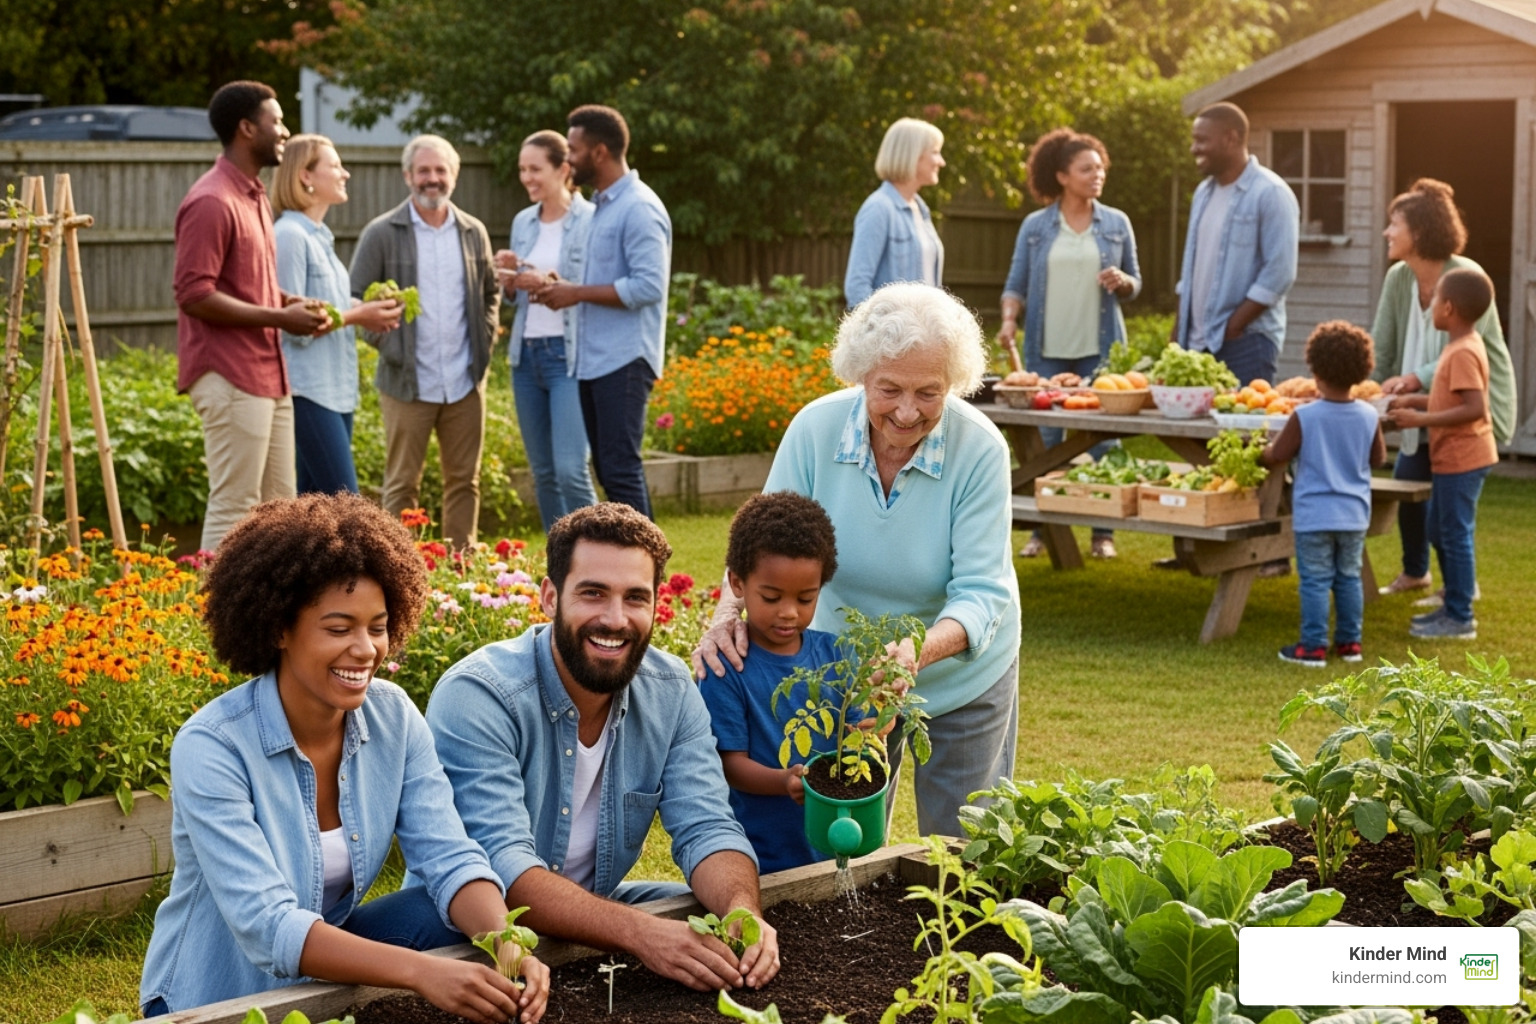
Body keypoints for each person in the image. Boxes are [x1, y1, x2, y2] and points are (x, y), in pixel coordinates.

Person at [139, 493, 550, 1023]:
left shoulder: (394, 716)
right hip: (215, 997)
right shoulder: (213, 745)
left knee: (444, 915)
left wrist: (509, 946)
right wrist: (420, 972)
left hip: (317, 980)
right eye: (339, 629)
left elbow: (450, 857)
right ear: (279, 629)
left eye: (377, 627)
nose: (365, 649)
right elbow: (267, 925)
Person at [694, 283, 1021, 839]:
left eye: (930, 393)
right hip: (843, 674)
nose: (908, 411)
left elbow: (983, 593)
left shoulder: (980, 449)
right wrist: (726, 617)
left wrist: (911, 654)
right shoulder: (815, 431)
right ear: (859, 375)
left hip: (962, 672)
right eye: (889, 388)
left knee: (965, 850)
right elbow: (761, 545)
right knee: (845, 841)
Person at [424, 503, 781, 993]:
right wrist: (641, 934)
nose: (615, 619)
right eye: (593, 594)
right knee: (661, 929)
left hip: (593, 902)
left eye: (635, 598)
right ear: (550, 597)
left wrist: (742, 913)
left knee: (707, 920)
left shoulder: (671, 690)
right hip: (459, 927)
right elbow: (504, 869)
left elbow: (707, 826)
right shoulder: (481, 695)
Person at [174, 80, 331, 552]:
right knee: (234, 505)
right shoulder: (211, 200)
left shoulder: (254, 195)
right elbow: (193, 293)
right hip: (228, 372)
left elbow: (247, 282)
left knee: (278, 511)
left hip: (268, 372)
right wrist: (280, 319)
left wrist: (288, 303)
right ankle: (215, 622)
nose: (284, 131)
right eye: (276, 121)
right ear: (246, 128)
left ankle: (266, 622)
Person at [1370, 178, 1519, 600]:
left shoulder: (1467, 278)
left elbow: (1466, 351)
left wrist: (1415, 379)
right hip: (1426, 407)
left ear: (1417, 231)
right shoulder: (1399, 277)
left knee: (1449, 511)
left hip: (1466, 409)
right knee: (1410, 492)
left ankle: (1459, 590)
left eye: (1393, 224)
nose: (1387, 232)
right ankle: (1416, 573)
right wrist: (1363, 390)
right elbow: (1381, 347)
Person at [351, 134, 500, 549]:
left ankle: (461, 565)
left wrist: (484, 341)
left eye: (440, 171)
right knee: (401, 483)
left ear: (454, 175)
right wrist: (388, 345)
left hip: (465, 380)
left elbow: (491, 293)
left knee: (464, 481)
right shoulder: (382, 232)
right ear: (407, 175)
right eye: (424, 171)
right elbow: (354, 297)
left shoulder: (473, 232)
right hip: (406, 381)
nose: (432, 179)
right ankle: (400, 568)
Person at [999, 128, 1141, 560]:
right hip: (1047, 349)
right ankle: (1043, 531)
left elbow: (1137, 283)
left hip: (1100, 350)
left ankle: (1104, 532)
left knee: (1103, 442)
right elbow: (1015, 283)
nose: (1096, 175)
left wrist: (1123, 282)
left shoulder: (1116, 223)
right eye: (1086, 169)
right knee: (1045, 444)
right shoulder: (1036, 227)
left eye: (1100, 168)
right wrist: (1008, 319)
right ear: (1062, 175)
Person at [530, 106, 671, 520]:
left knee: (621, 471)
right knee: (608, 472)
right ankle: (624, 573)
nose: (567, 158)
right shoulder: (602, 207)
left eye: (572, 149)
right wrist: (554, 284)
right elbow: (597, 279)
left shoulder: (639, 208)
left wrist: (575, 294)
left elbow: (648, 286)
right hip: (593, 360)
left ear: (600, 151)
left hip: (624, 359)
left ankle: (649, 578)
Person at [698, 491, 844, 875]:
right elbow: (730, 765)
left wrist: (875, 726)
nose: (789, 612)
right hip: (761, 858)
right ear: (738, 583)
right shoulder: (727, 667)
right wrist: (784, 781)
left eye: (806, 598)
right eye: (771, 596)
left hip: (837, 848)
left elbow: (859, 735)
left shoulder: (837, 656)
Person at [272, 134, 404, 495]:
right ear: (305, 176)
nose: (344, 173)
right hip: (308, 390)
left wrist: (369, 308)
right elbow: (293, 324)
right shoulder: (289, 236)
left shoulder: (320, 236)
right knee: (347, 504)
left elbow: (328, 306)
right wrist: (359, 315)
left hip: (336, 388)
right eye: (334, 166)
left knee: (315, 508)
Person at [1260, 322, 1387, 667]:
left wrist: (1260, 451)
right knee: (1348, 577)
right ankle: (1350, 645)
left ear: (1315, 370)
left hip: (1314, 515)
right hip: (1353, 514)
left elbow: (1277, 454)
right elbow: (1378, 458)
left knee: (1315, 579)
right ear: (1362, 371)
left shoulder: (1305, 416)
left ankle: (1313, 646)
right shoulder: (1368, 415)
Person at [1385, 268, 1500, 641]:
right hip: (1451, 458)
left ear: (1448, 308)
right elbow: (1448, 396)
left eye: (1435, 300)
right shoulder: (1457, 346)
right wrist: (1414, 400)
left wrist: (1421, 417)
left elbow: (1474, 408)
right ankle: (1451, 604)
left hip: (1464, 459)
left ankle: (1459, 616)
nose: (1431, 306)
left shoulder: (1464, 351)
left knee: (1453, 533)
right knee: (1439, 527)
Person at [494, 130, 599, 532]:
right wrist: (510, 277)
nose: (527, 178)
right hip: (526, 355)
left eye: (535, 169)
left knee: (571, 468)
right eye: (522, 169)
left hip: (568, 356)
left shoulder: (590, 221)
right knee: (543, 472)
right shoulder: (524, 221)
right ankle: (561, 562)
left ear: (564, 169)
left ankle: (596, 551)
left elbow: (589, 285)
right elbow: (515, 296)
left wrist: (550, 280)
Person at [1174, 101, 1299, 385]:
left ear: (1230, 138)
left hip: (1246, 343)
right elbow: (1190, 270)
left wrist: (1233, 326)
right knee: (1192, 431)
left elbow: (1279, 273)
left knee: (1243, 428)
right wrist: (1178, 330)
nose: (1194, 148)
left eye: (1202, 140)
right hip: (1195, 343)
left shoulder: (1271, 193)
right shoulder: (1203, 193)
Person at [844, 117, 945, 308]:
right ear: (912, 154)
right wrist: (879, 333)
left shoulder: (922, 210)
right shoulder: (879, 208)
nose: (941, 162)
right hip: (895, 337)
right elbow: (857, 287)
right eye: (935, 152)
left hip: (923, 335)